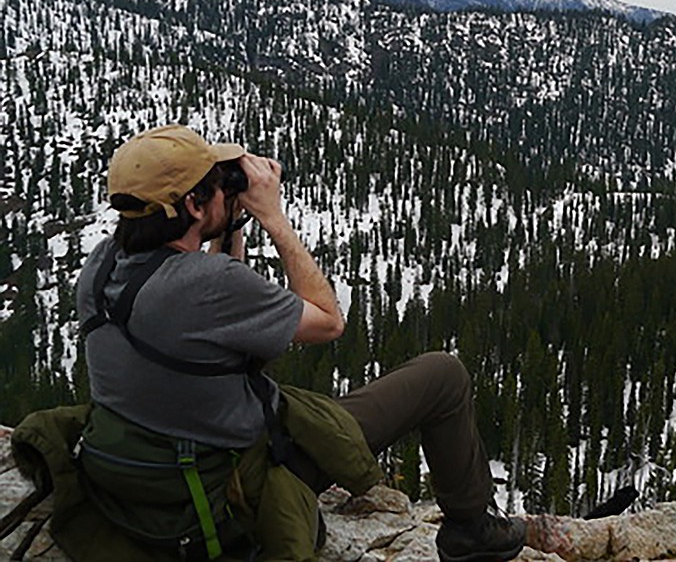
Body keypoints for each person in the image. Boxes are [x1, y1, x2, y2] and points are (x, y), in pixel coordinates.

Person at [70, 123, 527, 561]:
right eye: (216, 184)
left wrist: (229, 225)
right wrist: (273, 216)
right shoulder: (207, 285)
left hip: (148, 468)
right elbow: (328, 322)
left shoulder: (102, 266)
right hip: (230, 482)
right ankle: (472, 531)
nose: (226, 188)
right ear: (193, 205)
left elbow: (209, 306)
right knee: (442, 375)